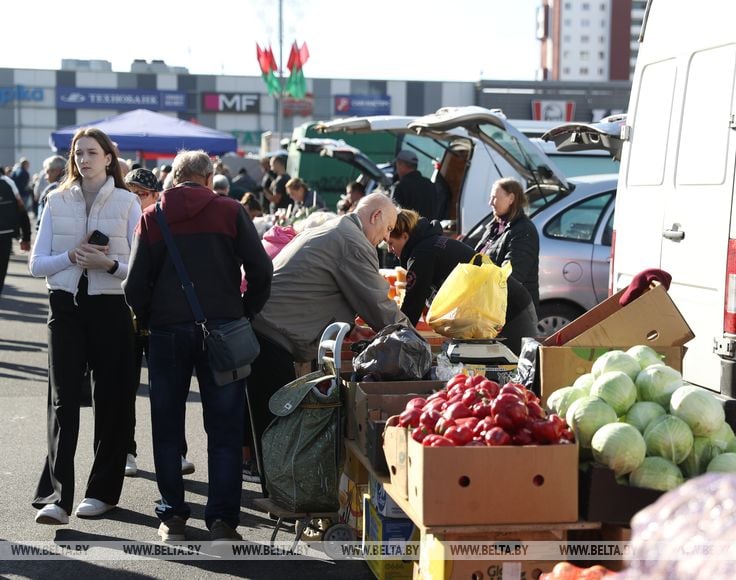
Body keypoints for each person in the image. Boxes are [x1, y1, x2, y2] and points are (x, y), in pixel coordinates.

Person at [124, 150, 272, 542]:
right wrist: (244, 312)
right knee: (224, 429)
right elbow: (261, 269)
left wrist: (153, 316)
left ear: (172, 178)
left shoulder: (152, 217)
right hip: (224, 328)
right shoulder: (230, 210)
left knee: (167, 425)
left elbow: (133, 287)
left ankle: (172, 515)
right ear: (209, 179)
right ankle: (223, 521)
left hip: (168, 332)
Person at [248, 192, 410, 494]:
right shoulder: (352, 241)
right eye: (387, 228)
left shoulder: (334, 229)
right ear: (375, 217)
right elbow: (379, 307)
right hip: (271, 340)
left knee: (269, 430)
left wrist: (349, 329)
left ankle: (275, 495)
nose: (387, 238)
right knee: (276, 433)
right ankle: (280, 500)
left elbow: (320, 289)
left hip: (265, 333)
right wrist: (413, 339)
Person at [29, 127, 142, 525]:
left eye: (92, 152)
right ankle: (58, 496)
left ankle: (102, 492)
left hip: (111, 306)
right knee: (63, 402)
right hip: (64, 306)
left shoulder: (130, 203)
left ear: (109, 158)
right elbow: (36, 263)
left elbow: (139, 270)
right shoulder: (55, 200)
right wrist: (71, 257)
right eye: (78, 153)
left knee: (112, 401)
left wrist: (109, 265)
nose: (84, 159)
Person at [121, 168, 196, 479]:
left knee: (169, 390)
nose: (136, 200)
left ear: (155, 195)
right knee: (124, 388)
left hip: (159, 315)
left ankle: (176, 452)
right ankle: (126, 450)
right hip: (124, 314)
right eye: (131, 193)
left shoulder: (161, 221)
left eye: (141, 194)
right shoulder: (120, 218)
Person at [389, 209, 537, 354]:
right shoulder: (430, 244)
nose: (389, 249)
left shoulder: (422, 253)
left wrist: (390, 340)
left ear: (404, 236)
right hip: (501, 312)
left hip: (512, 312)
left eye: (390, 242)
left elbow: (412, 306)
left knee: (518, 371)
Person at [474, 177, 540, 311]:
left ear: (511, 199)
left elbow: (511, 275)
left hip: (514, 313)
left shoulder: (524, 230)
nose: (490, 202)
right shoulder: (493, 227)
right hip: (489, 306)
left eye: (495, 198)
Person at [0, 172, 31, 296]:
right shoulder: (8, 182)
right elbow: (21, 210)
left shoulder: (7, 182)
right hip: (4, 235)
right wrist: (26, 237)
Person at [392, 150, 438, 220]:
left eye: (397, 164)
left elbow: (394, 213)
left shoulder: (400, 186)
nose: (397, 168)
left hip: (408, 229)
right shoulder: (429, 184)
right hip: (428, 229)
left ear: (401, 164)